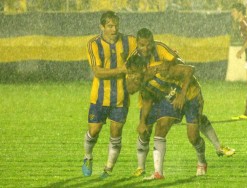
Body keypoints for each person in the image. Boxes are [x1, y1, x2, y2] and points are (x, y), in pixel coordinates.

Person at [126, 28, 235, 180]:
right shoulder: (144, 79)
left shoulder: (163, 69)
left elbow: (189, 70)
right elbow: (146, 99)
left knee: (193, 137)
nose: (132, 78)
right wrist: (142, 122)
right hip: (173, 98)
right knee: (161, 127)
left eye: (133, 75)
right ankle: (158, 173)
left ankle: (202, 161)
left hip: (190, 94)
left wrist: (182, 95)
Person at [81, 11, 137, 179]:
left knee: (116, 133)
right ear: (102, 27)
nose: (114, 29)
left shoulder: (129, 41)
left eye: (116, 26)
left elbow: (145, 45)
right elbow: (98, 72)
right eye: (110, 26)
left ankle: (108, 169)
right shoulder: (94, 44)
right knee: (94, 131)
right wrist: (121, 70)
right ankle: (88, 157)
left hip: (121, 97)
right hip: (99, 97)